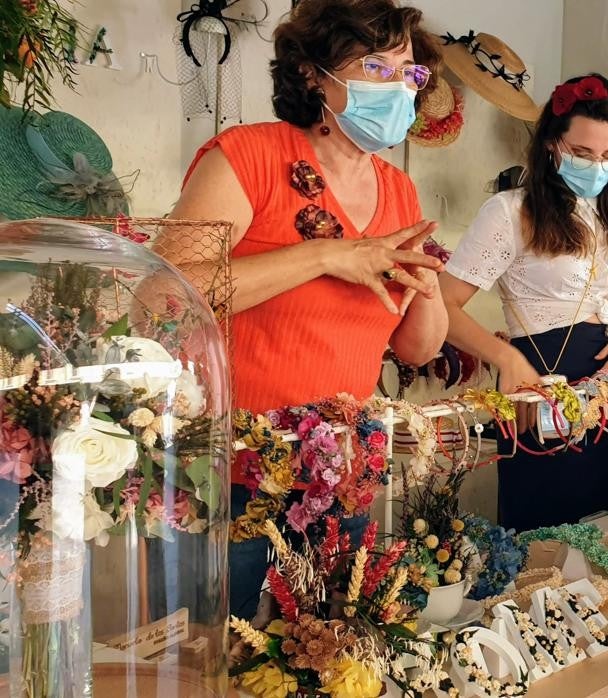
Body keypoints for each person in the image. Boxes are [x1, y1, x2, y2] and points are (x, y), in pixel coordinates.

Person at [167, 0, 449, 619]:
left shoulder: (397, 187)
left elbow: (417, 349)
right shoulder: (247, 156)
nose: (399, 87)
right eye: (376, 67)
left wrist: (425, 281)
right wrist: (323, 255)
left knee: (322, 652)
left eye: (409, 72)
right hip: (232, 474)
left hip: (339, 473)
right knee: (222, 650)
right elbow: (164, 293)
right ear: (311, 74)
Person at [440, 73, 608, 531]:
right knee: (543, 542)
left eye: (607, 157)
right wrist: (506, 358)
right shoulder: (510, 212)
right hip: (541, 388)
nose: (596, 166)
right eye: (582, 153)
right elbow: (442, 307)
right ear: (551, 145)